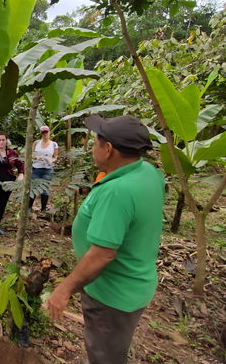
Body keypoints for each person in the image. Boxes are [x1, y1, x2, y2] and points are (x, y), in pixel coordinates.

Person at [45, 115, 163, 364]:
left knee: (105, 356)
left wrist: (63, 290)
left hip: (113, 295)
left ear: (108, 149)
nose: (91, 147)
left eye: (95, 142)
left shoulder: (118, 191)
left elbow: (102, 254)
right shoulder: (147, 172)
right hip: (134, 284)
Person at [28, 125, 58, 213]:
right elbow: (31, 154)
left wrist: (52, 160)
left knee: (45, 189)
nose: (45, 134)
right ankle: (29, 208)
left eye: (46, 132)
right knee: (33, 188)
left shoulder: (53, 144)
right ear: (41, 134)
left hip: (48, 169)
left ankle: (43, 209)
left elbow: (55, 156)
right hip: (36, 168)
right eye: (43, 133)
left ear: (49, 132)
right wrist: (36, 158)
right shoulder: (36, 143)